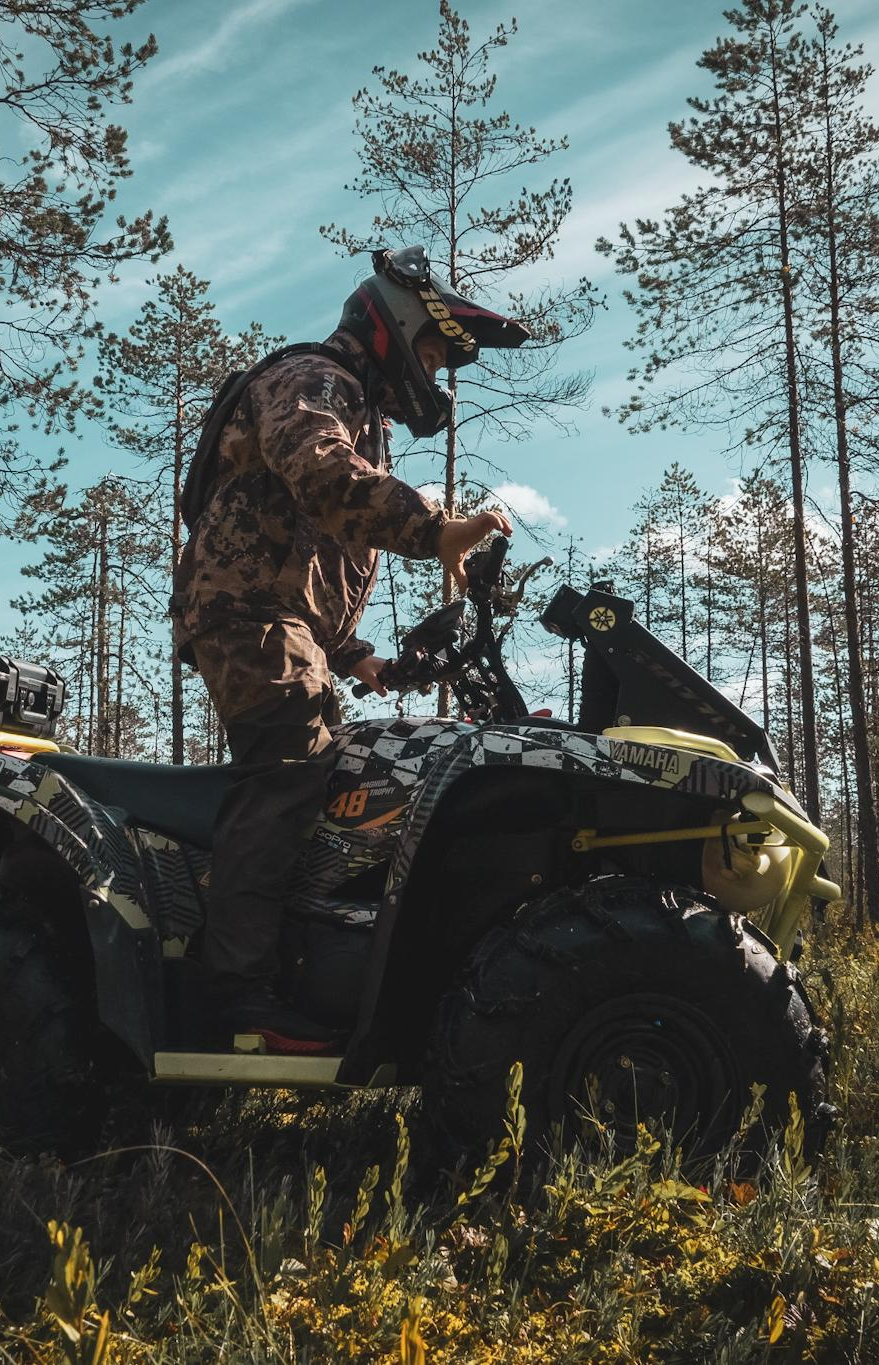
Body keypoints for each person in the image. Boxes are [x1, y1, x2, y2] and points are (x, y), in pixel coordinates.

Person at [169, 247, 530, 1053]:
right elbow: (322, 477)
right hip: (244, 613)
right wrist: (435, 530)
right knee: (295, 752)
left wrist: (362, 657)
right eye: (432, 352)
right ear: (396, 328)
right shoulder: (316, 379)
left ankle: (310, 950)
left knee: (349, 760)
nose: (431, 372)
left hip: (274, 614)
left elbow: (312, 562)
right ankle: (239, 998)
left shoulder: (359, 409)